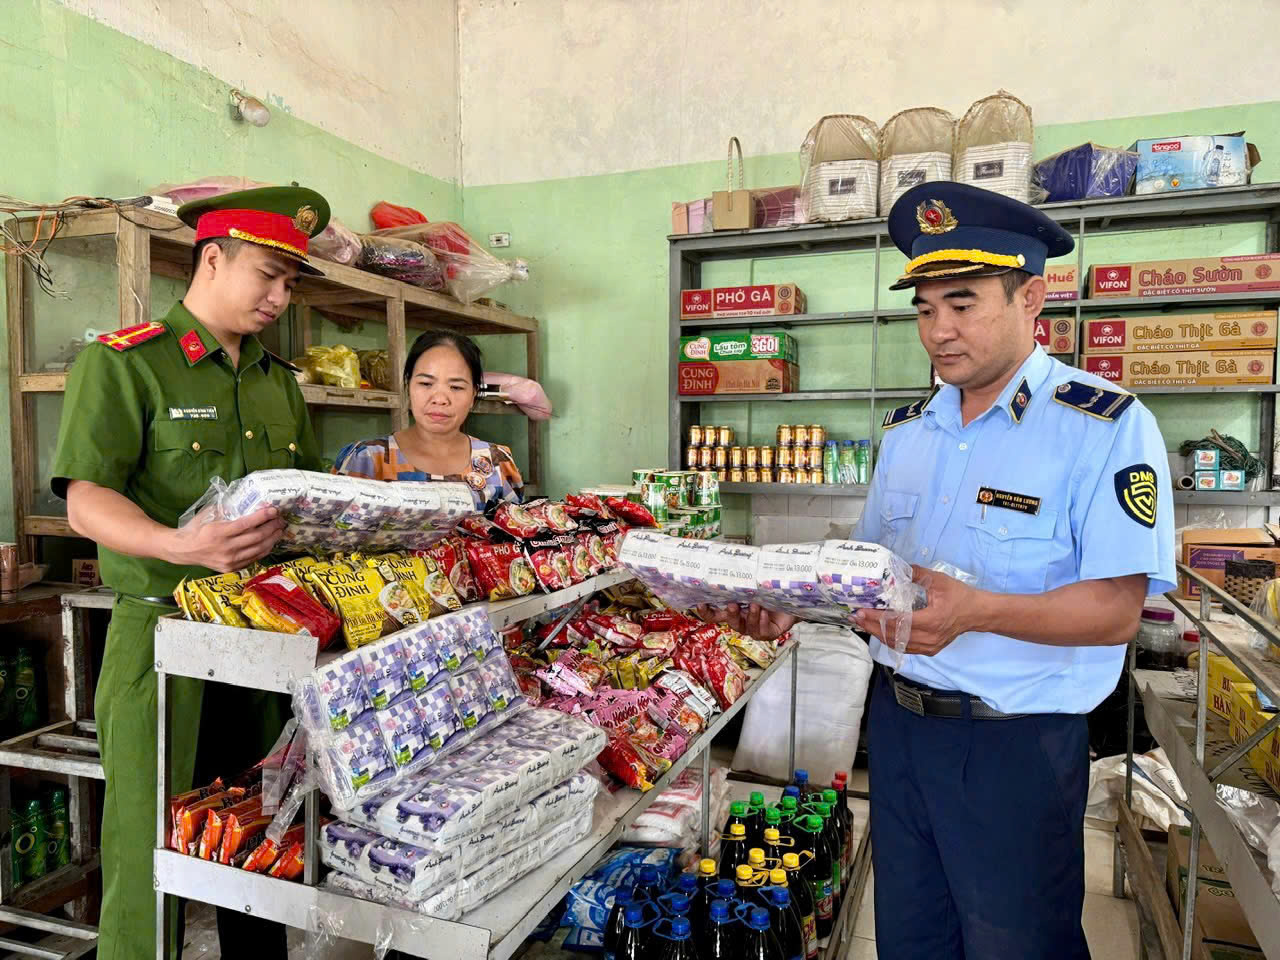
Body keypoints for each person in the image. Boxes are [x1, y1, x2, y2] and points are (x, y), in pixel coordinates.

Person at [707, 182, 1175, 959]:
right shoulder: (909, 434)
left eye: (963, 304)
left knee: (1015, 943)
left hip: (1013, 748)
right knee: (913, 939)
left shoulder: (1102, 427)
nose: (939, 331)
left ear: (1032, 297)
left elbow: (1116, 611)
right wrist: (798, 607)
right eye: (925, 309)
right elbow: (869, 574)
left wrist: (977, 611)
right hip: (897, 728)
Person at [50, 186, 329, 959]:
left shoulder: (278, 381)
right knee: (153, 848)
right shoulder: (126, 364)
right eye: (267, 276)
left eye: (290, 284)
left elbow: (305, 496)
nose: (279, 297)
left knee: (259, 831)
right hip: (161, 637)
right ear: (213, 258)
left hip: (264, 639)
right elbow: (86, 499)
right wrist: (181, 546)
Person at [333, 330, 524, 509]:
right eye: (425, 384)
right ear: (408, 386)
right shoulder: (366, 460)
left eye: (456, 387)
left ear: (473, 394)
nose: (440, 399)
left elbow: (517, 534)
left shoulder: (498, 462)